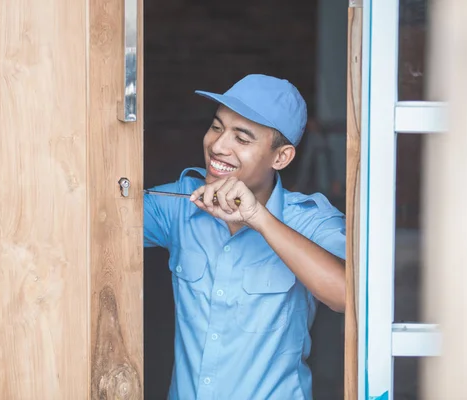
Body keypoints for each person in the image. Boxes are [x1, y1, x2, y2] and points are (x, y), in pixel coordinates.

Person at [144, 74, 346, 399]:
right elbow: (94, 218)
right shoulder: (181, 204)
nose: (218, 146)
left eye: (242, 138)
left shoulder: (309, 220)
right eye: (216, 127)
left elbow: (347, 295)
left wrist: (259, 219)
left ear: (280, 157)